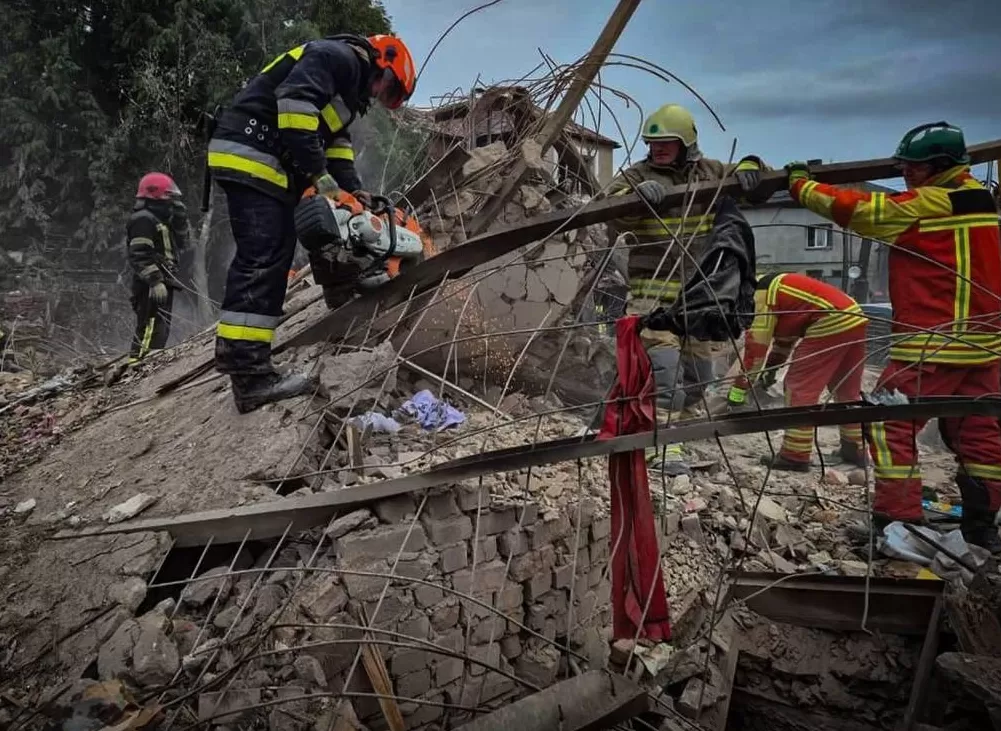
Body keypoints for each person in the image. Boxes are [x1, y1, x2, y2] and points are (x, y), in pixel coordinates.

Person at [785, 121, 1001, 552]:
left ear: (938, 165)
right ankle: (982, 529)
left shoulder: (927, 205)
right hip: (988, 348)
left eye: (913, 167)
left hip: (934, 344)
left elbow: (856, 208)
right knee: (981, 435)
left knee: (888, 424)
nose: (906, 174)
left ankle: (897, 522)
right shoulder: (983, 202)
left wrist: (799, 184)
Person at [207, 34, 416, 413]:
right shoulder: (336, 57)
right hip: (254, 152)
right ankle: (251, 377)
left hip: (266, 159)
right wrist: (321, 178)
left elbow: (332, 143)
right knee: (265, 257)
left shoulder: (347, 92)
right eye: (388, 88)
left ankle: (235, 350)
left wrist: (353, 191)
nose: (380, 95)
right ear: (380, 62)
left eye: (390, 97)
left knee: (279, 247)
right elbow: (294, 110)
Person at [604, 103, 771, 472]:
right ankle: (660, 448)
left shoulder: (711, 172)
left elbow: (761, 181)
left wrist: (752, 166)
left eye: (666, 143)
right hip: (652, 297)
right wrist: (634, 199)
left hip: (697, 297)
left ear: (687, 143)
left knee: (698, 380)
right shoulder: (636, 175)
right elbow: (608, 208)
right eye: (652, 143)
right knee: (665, 375)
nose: (657, 149)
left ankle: (673, 436)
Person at [727, 272, 868, 471]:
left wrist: (738, 391)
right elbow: (784, 342)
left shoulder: (760, 297)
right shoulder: (782, 292)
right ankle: (855, 448)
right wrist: (770, 371)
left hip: (830, 319)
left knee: (799, 388)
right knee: (846, 390)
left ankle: (795, 455)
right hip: (855, 316)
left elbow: (755, 350)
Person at [126, 172, 189, 363]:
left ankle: (149, 363)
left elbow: (183, 243)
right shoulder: (143, 219)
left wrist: (179, 217)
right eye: (169, 197)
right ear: (155, 195)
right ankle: (137, 365)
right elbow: (139, 254)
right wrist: (155, 281)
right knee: (149, 326)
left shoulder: (161, 221)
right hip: (150, 285)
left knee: (160, 328)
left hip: (163, 281)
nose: (171, 202)